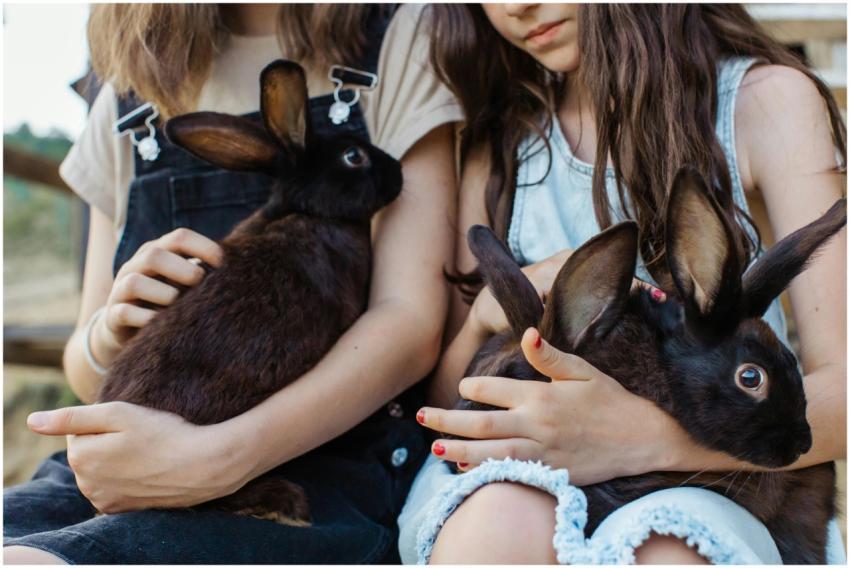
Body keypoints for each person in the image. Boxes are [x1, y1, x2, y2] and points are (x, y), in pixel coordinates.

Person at [4, 4, 462, 564]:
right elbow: (85, 367)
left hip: (315, 463)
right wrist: (110, 330)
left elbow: (409, 321)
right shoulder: (128, 86)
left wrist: (218, 458)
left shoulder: (396, 35)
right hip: (129, 461)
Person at [398, 3, 846, 564]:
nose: (516, 6)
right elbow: (445, 404)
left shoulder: (764, 103)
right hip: (520, 471)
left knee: (670, 549)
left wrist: (641, 439)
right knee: (496, 525)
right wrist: (486, 314)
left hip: (712, 479)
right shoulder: (505, 139)